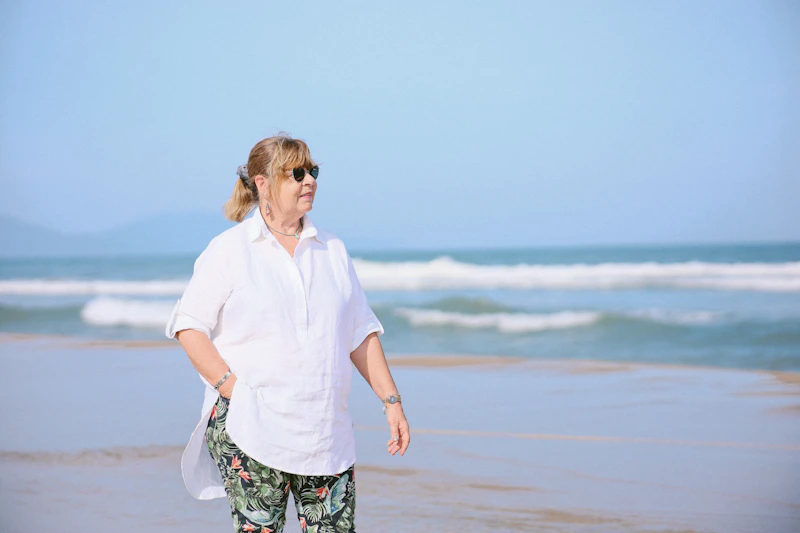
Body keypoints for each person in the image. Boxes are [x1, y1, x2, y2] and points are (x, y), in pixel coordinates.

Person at [165, 133, 410, 533]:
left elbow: (360, 333)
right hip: (251, 428)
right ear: (263, 183)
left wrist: (392, 401)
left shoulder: (332, 250)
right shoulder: (230, 249)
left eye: (312, 171)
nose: (309, 181)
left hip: (325, 435)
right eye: (296, 173)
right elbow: (189, 325)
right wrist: (232, 389)